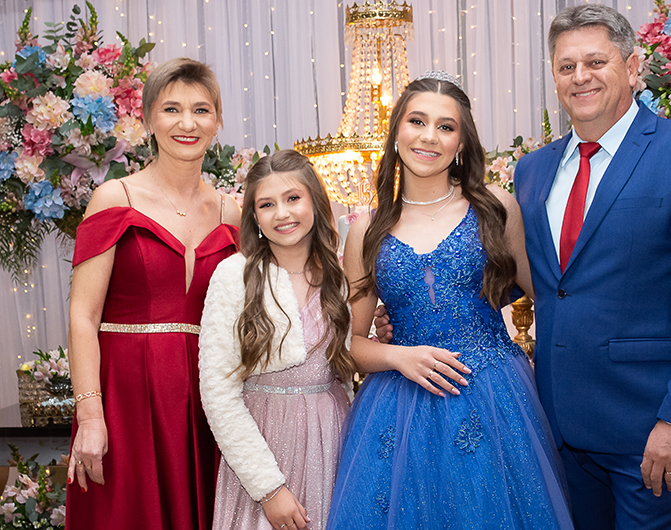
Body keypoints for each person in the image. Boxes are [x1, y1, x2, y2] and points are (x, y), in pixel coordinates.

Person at [512, 5, 671, 529]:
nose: (581, 76)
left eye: (596, 62)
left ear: (634, 66)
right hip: (558, 427)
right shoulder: (532, 170)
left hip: (649, 429)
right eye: (567, 66)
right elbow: (526, 275)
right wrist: (413, 308)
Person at [327, 72, 574, 529]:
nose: (429, 136)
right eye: (417, 121)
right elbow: (349, 345)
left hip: (493, 397)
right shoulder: (366, 230)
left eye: (445, 126)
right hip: (399, 406)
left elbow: (552, 295)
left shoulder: (495, 209)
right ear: (396, 131)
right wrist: (398, 356)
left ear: (461, 142)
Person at [65, 58, 241, 530]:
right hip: (125, 398)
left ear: (218, 121)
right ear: (147, 119)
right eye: (172, 109)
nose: (188, 123)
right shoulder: (113, 198)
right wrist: (90, 414)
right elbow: (83, 315)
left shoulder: (233, 212)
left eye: (201, 110)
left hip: (208, 398)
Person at [198, 149, 354, 530]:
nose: (282, 213)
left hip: (332, 441)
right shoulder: (233, 276)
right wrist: (268, 488)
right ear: (254, 216)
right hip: (264, 445)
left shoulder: (337, 275)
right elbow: (217, 392)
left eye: (293, 198)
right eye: (267, 204)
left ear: (315, 202)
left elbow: (347, 367)